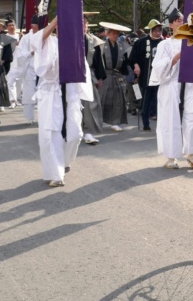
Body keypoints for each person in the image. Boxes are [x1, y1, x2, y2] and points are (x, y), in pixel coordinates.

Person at [30, 16, 93, 187]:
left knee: (76, 134)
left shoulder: (77, 45)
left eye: (84, 25)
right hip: (51, 93)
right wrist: (56, 21)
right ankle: (55, 174)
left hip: (70, 94)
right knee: (52, 134)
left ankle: (64, 162)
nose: (84, 28)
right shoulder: (49, 41)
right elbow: (36, 42)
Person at [150, 11, 193, 169]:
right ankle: (171, 157)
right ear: (171, 24)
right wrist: (176, 58)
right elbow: (158, 67)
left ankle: (192, 155)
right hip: (171, 84)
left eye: (182, 20)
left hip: (190, 85)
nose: (181, 22)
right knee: (170, 120)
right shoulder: (165, 44)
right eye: (178, 20)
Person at [94, 22, 130, 132]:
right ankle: (98, 121)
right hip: (105, 75)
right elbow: (98, 62)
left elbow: (125, 62)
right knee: (102, 99)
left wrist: (125, 74)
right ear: (108, 34)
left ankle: (115, 122)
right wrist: (99, 77)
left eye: (117, 34)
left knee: (118, 100)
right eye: (113, 33)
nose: (115, 35)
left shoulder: (121, 47)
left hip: (117, 75)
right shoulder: (101, 46)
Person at [129, 18, 164, 131]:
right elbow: (132, 57)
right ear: (150, 30)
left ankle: (162, 124)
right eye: (155, 30)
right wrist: (136, 65)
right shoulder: (141, 42)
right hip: (146, 77)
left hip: (161, 77)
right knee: (146, 100)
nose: (158, 32)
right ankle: (145, 123)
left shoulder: (164, 43)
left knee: (160, 100)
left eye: (159, 30)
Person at [82, 14, 105, 144]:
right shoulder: (68, 39)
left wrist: (100, 77)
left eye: (85, 24)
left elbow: (98, 61)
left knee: (90, 104)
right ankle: (72, 131)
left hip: (89, 75)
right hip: (72, 76)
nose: (84, 26)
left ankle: (88, 132)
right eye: (81, 24)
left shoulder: (93, 40)